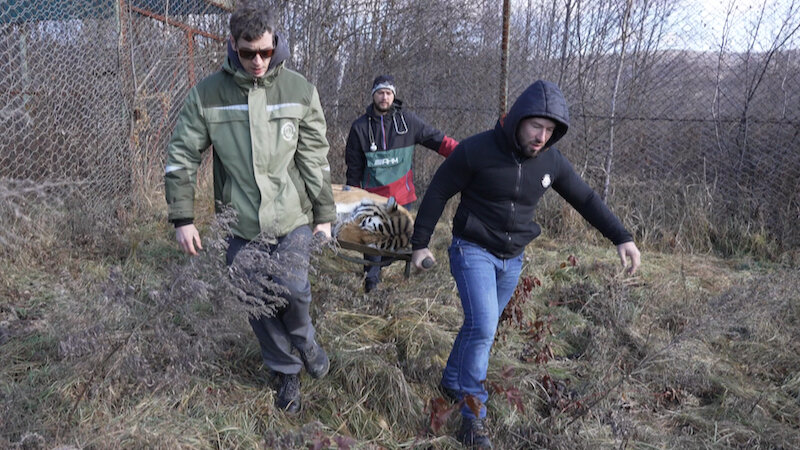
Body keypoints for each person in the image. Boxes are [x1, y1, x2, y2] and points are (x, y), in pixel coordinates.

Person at [410, 80, 641, 448]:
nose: (542, 137)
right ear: (518, 120)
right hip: (473, 249)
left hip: (512, 258)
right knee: (484, 326)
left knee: (478, 326)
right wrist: (419, 244)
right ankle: (473, 420)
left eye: (550, 131)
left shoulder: (550, 161)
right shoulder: (477, 150)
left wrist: (621, 236)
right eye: (536, 126)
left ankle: (452, 381)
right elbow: (439, 189)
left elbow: (585, 197)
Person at [163, 0, 335, 414]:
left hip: (292, 215)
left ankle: (306, 339)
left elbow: (314, 159)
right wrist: (182, 217)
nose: (258, 61)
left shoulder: (299, 91)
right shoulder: (208, 95)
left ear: (276, 43)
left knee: (292, 289)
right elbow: (182, 155)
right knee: (253, 295)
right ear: (232, 46)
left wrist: (325, 216)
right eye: (247, 53)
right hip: (241, 222)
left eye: (266, 51)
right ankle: (286, 372)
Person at [345, 75, 458, 292]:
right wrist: (354, 195)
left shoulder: (407, 122)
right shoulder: (359, 127)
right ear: (373, 96)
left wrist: (464, 153)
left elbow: (436, 139)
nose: (384, 97)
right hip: (372, 197)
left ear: (393, 96)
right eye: (380, 92)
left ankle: (386, 267)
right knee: (372, 237)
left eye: (388, 93)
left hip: (401, 196)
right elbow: (354, 166)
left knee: (395, 241)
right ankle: (372, 281)